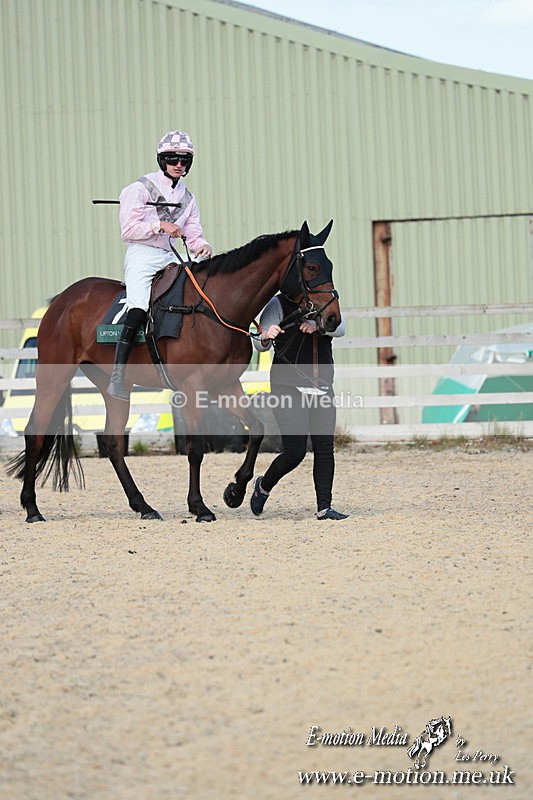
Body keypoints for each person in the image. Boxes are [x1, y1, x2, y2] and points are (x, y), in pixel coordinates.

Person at [108, 130, 213, 401]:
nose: (178, 164)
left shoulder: (188, 198)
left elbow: (193, 233)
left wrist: (201, 245)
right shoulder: (139, 188)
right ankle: (118, 375)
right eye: (172, 159)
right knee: (139, 306)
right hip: (142, 254)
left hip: (169, 255)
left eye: (184, 160)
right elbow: (128, 229)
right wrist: (159, 225)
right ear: (162, 159)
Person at [250, 293, 349, 520]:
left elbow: (341, 328)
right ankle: (263, 486)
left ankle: (324, 507)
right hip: (287, 387)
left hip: (322, 386)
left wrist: (318, 325)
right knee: (295, 453)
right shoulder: (278, 303)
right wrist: (266, 336)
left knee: (325, 449)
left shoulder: (326, 298)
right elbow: (258, 343)